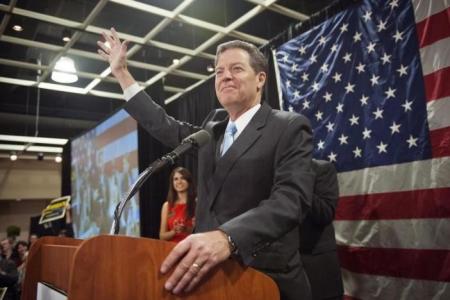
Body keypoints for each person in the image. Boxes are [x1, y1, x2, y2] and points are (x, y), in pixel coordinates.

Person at [98, 28, 314, 300]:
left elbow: (291, 200)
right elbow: (164, 125)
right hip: (207, 280)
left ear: (260, 79)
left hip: (265, 280)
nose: (225, 76)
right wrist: (121, 73)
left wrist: (229, 237)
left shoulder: (288, 126)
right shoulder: (210, 131)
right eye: (219, 71)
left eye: (236, 68)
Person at [299, 160, 344, 300]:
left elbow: (325, 213)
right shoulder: (272, 171)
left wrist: (297, 183)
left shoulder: (322, 168)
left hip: (318, 273)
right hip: (283, 270)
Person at [159, 167, 196, 243]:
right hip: (172, 250)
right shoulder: (167, 206)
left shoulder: (197, 203)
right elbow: (162, 236)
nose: (179, 182)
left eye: (182, 178)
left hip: (192, 249)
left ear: (188, 181)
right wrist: (174, 231)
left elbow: (203, 232)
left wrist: (186, 229)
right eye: (176, 179)